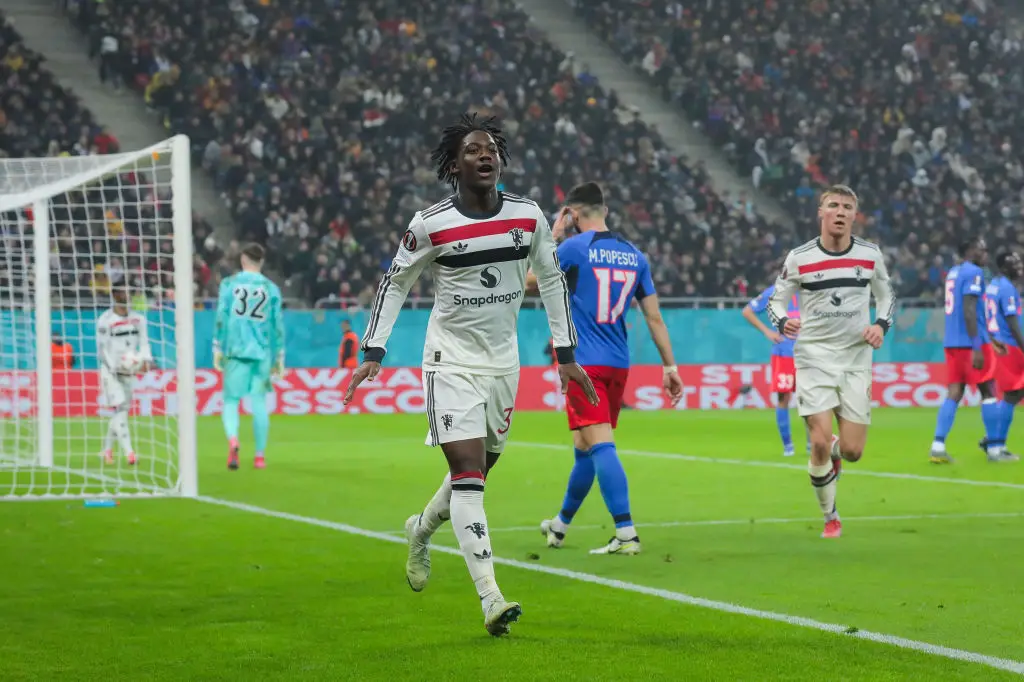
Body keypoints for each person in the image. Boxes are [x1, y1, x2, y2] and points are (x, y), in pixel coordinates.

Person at [343, 113, 598, 637]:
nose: (485, 156)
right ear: (454, 166)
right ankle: (491, 597)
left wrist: (566, 354)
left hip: (504, 363)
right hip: (450, 360)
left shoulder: (527, 217)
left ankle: (420, 530)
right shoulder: (430, 223)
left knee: (479, 470)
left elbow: (551, 280)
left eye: (491, 150)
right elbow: (395, 283)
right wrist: (374, 347)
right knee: (468, 477)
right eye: (473, 151)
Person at [528, 182, 684, 555]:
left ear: (574, 215)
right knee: (584, 445)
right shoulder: (635, 255)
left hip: (584, 364)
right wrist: (669, 366)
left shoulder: (574, 248)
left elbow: (532, 282)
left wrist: (550, 236)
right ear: (606, 212)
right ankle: (560, 525)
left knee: (600, 444)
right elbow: (655, 317)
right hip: (618, 364)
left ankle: (626, 532)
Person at [767, 185, 895, 539]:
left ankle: (838, 451)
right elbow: (775, 302)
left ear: (855, 215)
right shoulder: (800, 257)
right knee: (819, 442)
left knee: (852, 451)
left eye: (847, 207)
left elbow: (886, 297)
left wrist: (880, 325)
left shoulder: (870, 255)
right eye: (833, 205)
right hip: (813, 357)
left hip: (856, 358)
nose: (840, 212)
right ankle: (831, 516)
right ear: (820, 212)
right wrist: (782, 321)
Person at [930, 238, 1008, 463]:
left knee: (954, 391)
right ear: (970, 250)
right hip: (971, 343)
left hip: (952, 342)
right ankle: (994, 449)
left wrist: (991, 337)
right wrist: (978, 345)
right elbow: (969, 310)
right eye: (982, 248)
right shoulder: (974, 272)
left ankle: (937, 445)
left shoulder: (954, 272)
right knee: (989, 391)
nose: (986, 253)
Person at [213, 243, 285, 471]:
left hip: (236, 352)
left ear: (243, 260)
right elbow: (278, 325)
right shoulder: (271, 288)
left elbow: (221, 317)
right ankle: (260, 456)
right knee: (259, 402)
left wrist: (217, 346)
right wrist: (280, 356)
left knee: (231, 401)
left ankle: (233, 440)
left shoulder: (229, 284)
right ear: (261, 262)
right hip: (261, 353)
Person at [742, 284, 807, 456]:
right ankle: (788, 446)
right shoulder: (775, 290)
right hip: (784, 353)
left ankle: (813, 444)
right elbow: (747, 311)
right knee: (783, 397)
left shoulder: (814, 287)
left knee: (811, 397)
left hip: (809, 352)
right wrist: (767, 332)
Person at [96, 288, 152, 466]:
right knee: (119, 407)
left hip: (130, 370)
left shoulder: (138, 319)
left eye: (129, 294)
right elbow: (102, 349)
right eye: (123, 294)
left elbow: (143, 342)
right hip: (110, 371)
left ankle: (107, 449)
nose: (127, 298)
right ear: (115, 297)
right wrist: (114, 367)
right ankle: (130, 452)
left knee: (121, 411)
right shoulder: (105, 321)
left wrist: (145, 360)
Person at [982, 251, 1024, 461]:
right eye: (1015, 263)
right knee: (1012, 395)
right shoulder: (1007, 288)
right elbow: (1013, 322)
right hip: (1010, 345)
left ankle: (993, 437)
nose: (1020, 267)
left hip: (999, 343)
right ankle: (996, 447)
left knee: (1016, 393)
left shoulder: (993, 285)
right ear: (1005, 267)